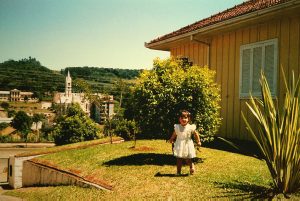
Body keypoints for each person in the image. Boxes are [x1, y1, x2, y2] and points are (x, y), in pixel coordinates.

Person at [169, 110, 201, 175]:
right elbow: (175, 134)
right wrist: (171, 139)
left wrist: (198, 141)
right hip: (179, 144)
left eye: (185, 118)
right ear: (179, 119)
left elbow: (196, 134)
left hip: (187, 144)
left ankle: (191, 165)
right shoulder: (177, 127)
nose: (183, 119)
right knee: (179, 159)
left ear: (188, 119)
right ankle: (178, 172)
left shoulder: (190, 127)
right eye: (182, 118)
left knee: (187, 158)